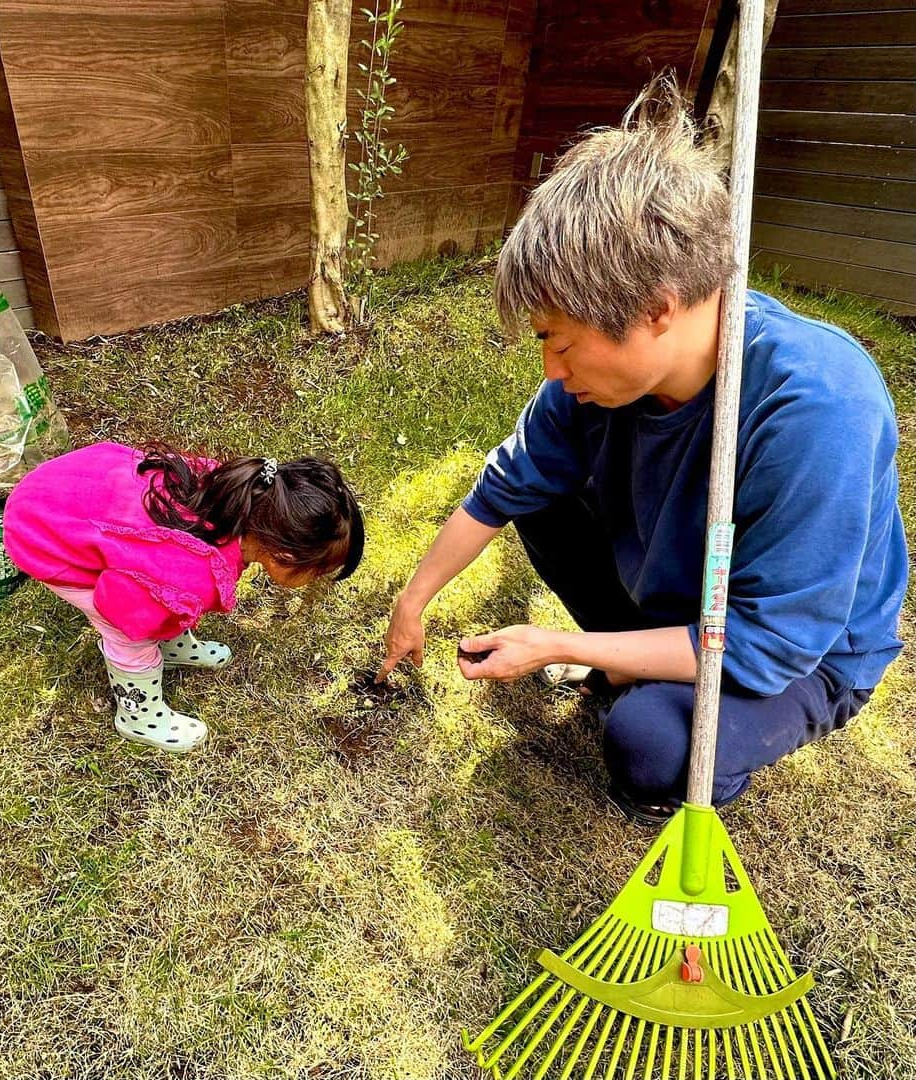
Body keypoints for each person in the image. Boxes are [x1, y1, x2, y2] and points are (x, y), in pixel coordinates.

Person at [378, 77, 907, 823]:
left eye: (561, 343)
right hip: (682, 596)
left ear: (657, 308)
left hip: (800, 656)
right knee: (543, 499)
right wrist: (413, 600)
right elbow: (502, 488)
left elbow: (766, 643)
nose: (552, 371)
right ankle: (640, 660)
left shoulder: (818, 406)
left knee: (650, 745)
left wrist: (563, 644)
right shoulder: (586, 391)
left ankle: (678, 728)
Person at [4, 441, 364, 753]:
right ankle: (138, 716)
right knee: (134, 633)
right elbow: (121, 609)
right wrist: (144, 630)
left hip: (69, 488)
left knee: (163, 604)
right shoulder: (187, 573)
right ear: (284, 557)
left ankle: (172, 643)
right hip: (41, 532)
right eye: (318, 571)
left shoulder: (236, 495)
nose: (319, 579)